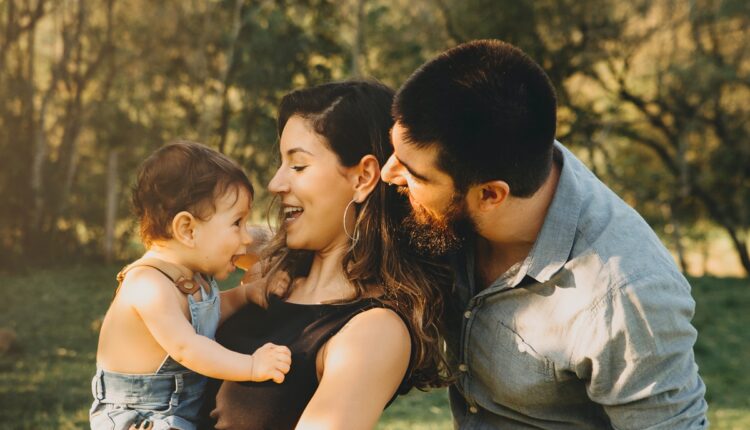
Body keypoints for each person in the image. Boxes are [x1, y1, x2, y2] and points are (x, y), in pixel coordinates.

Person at [380, 39, 709, 429]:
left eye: (413, 174)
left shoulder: (624, 297)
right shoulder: (493, 153)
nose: (388, 174)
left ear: (490, 195)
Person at [199, 80, 451, 430]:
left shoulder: (373, 331)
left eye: (298, 166)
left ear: (363, 177)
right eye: (281, 163)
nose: (275, 183)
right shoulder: (276, 272)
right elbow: (185, 242)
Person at [90, 141, 292, 430]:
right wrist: (251, 366)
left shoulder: (196, 278)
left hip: (177, 414)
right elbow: (188, 347)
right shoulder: (149, 285)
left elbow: (208, 314)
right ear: (187, 229)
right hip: (141, 418)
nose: (246, 237)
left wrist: (247, 293)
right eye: (237, 223)